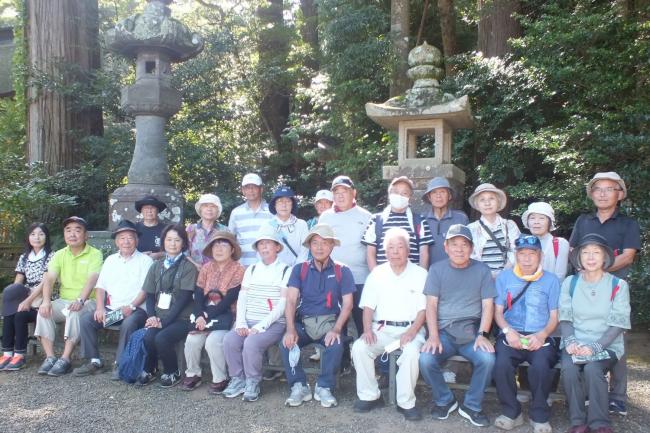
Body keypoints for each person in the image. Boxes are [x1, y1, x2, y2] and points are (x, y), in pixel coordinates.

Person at [568, 172, 640, 416]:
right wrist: (586, 271)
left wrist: (599, 270)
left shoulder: (628, 224)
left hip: (615, 286)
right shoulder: (583, 220)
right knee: (584, 331)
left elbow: (629, 255)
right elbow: (572, 249)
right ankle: (590, 391)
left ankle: (617, 396)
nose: (602, 193)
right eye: (597, 188)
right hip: (584, 286)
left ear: (619, 194)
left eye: (609, 189)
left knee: (615, 337)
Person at [419, 224, 496, 427]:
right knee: (426, 360)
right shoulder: (437, 269)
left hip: (472, 332)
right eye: (454, 244)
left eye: (464, 244)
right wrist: (433, 335)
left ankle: (472, 405)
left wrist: (483, 334)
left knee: (487, 359)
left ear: (471, 248)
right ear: (446, 247)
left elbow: (488, 305)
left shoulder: (482, 270)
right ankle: (445, 400)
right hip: (444, 332)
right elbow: (431, 305)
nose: (459, 249)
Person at [351, 228, 428, 421]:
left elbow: (423, 310)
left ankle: (406, 402)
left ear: (408, 250)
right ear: (385, 251)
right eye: (391, 247)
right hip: (382, 328)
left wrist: (411, 332)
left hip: (412, 328)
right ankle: (370, 396)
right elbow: (367, 307)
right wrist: (367, 329)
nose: (395, 251)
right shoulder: (377, 273)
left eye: (400, 247)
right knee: (360, 348)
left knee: (411, 353)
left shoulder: (420, 274)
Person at [560, 233, 631, 433]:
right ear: (579, 258)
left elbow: (618, 324)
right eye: (586, 253)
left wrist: (595, 347)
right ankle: (578, 421)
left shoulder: (618, 285)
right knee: (570, 370)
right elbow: (565, 317)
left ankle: (599, 422)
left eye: (596, 253)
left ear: (605, 258)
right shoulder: (570, 283)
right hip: (575, 342)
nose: (591, 257)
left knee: (593, 368)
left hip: (606, 344)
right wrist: (571, 341)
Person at [280, 224, 355, 408]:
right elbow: (290, 301)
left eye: (325, 243)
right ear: (310, 246)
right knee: (286, 343)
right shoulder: (300, 269)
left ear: (332, 246)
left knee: (336, 344)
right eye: (315, 243)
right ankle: (299, 385)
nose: (319, 247)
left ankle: (324, 387)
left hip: (330, 322)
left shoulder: (342, 270)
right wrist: (290, 329)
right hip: (304, 323)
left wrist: (337, 329)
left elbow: (348, 304)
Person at [493, 235, 561, 433]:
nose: (527, 258)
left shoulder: (551, 280)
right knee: (502, 364)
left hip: (540, 334)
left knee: (541, 366)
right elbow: (497, 312)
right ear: (516, 255)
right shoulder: (504, 278)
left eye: (532, 253)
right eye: (522, 253)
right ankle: (511, 412)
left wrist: (542, 335)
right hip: (511, 331)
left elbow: (554, 315)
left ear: (540, 255)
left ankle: (539, 415)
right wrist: (507, 331)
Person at [73, 220, 152, 380]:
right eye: (122, 238)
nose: (126, 241)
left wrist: (131, 306)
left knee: (129, 322)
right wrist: (100, 308)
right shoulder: (110, 260)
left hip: (135, 310)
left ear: (137, 240)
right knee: (87, 319)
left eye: (130, 237)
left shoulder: (145, 261)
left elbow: (146, 290)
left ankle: (121, 363)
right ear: (116, 241)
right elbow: (101, 287)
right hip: (114, 312)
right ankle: (94, 361)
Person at [222, 225, 290, 402]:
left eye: (268, 243)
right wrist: (241, 322)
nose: (264, 247)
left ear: (277, 247)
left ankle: (253, 381)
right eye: (261, 244)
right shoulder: (251, 269)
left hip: (273, 324)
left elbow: (283, 304)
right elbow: (243, 297)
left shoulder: (285, 270)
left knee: (251, 342)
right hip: (248, 320)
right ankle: (238, 379)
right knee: (230, 340)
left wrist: (261, 325)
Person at [34, 216, 103, 377]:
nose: (72, 234)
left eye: (78, 230)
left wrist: (80, 300)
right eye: (68, 230)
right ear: (64, 234)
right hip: (64, 300)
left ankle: (65, 358)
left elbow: (93, 278)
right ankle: (50, 357)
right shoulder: (59, 254)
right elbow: (49, 278)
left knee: (75, 312)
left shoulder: (95, 254)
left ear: (86, 235)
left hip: (89, 300)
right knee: (44, 311)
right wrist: (45, 301)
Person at [180, 231, 244, 394]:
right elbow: (199, 293)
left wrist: (206, 316)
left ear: (232, 249)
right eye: (215, 244)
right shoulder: (207, 268)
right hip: (204, 314)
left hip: (227, 315)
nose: (219, 249)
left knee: (213, 341)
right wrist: (200, 314)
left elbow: (230, 299)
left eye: (224, 245)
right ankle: (193, 373)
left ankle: (220, 377)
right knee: (192, 339)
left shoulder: (239, 269)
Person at [136, 224, 198, 388]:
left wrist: (163, 323)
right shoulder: (156, 266)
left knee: (162, 338)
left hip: (182, 317)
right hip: (159, 316)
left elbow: (184, 299)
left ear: (183, 243)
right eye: (169, 240)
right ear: (163, 242)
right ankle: (150, 369)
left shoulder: (188, 267)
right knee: (148, 337)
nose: (172, 243)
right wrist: (151, 317)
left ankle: (172, 371)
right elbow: (149, 295)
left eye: (177, 240)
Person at [318, 175, 372, 338]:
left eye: (345, 191)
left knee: (362, 321)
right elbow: (319, 247)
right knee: (335, 323)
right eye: (336, 192)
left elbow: (372, 248)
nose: (340, 195)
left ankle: (366, 359)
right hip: (332, 278)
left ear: (354, 193)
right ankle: (341, 361)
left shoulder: (366, 216)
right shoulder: (326, 217)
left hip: (361, 278)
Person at [0, 223, 55, 371]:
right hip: (26, 296)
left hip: (43, 297)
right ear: (28, 237)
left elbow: (45, 282)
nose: (36, 237)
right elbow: (18, 281)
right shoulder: (24, 257)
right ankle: (6, 353)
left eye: (41, 234)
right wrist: (13, 297)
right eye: (33, 234)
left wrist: (27, 300)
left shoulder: (51, 256)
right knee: (9, 313)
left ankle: (20, 355)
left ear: (46, 237)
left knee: (20, 315)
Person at [363, 176, 433, 271]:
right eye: (395, 192)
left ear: (410, 198)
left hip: (412, 278)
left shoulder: (419, 221)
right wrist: (375, 277)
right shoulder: (376, 220)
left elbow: (424, 253)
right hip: (384, 278)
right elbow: (370, 253)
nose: (399, 196)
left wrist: (421, 278)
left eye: (404, 193)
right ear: (389, 194)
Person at [467, 183, 521, 277]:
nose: (487, 203)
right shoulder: (471, 229)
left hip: (507, 278)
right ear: (477, 205)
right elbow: (471, 256)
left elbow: (518, 250)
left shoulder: (509, 225)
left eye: (491, 198)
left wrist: (503, 275)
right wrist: (488, 276)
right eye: (482, 200)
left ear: (498, 202)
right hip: (482, 279)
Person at [228, 173, 273, 267]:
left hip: (268, 266)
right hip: (242, 267)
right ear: (243, 190)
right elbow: (230, 240)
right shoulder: (236, 212)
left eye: (254, 187)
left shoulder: (272, 211)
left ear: (261, 189)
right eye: (247, 187)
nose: (251, 190)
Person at [422, 177, 469, 264]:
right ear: (429, 197)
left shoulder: (461, 218)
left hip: (455, 272)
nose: (438, 196)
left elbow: (467, 248)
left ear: (449, 196)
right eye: (434, 192)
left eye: (442, 192)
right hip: (429, 273)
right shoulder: (422, 219)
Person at [522, 202, 569, 280]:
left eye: (542, 218)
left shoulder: (560, 243)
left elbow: (559, 277)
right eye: (532, 218)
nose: (536, 222)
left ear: (549, 222)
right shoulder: (522, 243)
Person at [264, 185, 309, 267]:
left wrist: (296, 271)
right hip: (273, 272)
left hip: (296, 272)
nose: (284, 205)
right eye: (280, 201)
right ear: (274, 205)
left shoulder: (301, 224)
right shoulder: (267, 225)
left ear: (292, 205)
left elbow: (304, 251)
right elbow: (262, 252)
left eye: (288, 201)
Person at [186, 193, 228, 269]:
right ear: (200, 209)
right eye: (205, 206)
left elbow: (231, 254)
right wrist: (195, 265)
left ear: (218, 210)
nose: (209, 209)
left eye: (213, 206)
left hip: (219, 274)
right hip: (194, 273)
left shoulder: (225, 231)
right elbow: (184, 252)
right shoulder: (191, 229)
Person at [134, 194, 167, 260]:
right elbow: (125, 249)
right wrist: (140, 255)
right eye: (146, 208)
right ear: (141, 211)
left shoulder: (166, 229)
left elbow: (175, 250)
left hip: (160, 265)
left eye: (152, 208)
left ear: (157, 211)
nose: (149, 211)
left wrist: (159, 255)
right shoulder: (134, 229)